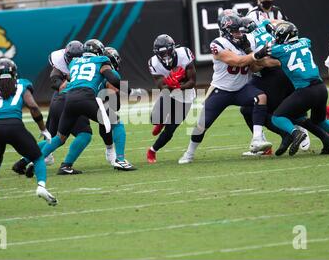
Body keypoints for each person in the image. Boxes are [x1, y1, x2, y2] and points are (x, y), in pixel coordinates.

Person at [0, 58, 57, 215]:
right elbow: (34, 107)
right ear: (14, 73)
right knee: (37, 157)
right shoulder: (22, 84)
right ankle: (41, 186)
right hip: (15, 126)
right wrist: (43, 129)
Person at [178, 14, 271, 164]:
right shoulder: (218, 43)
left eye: (240, 30)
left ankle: (257, 139)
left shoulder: (247, 40)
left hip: (242, 89)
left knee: (261, 97)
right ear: (226, 31)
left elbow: (253, 67)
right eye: (235, 31)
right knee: (201, 124)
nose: (239, 34)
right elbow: (238, 62)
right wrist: (257, 54)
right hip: (222, 90)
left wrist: (252, 53)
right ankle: (189, 152)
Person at [260, 22, 329, 155]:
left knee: (277, 117)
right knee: (320, 120)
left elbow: (263, 53)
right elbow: (296, 43)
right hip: (321, 88)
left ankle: (296, 133)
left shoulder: (279, 50)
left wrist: (268, 39)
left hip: (305, 91)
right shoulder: (306, 41)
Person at [12, 40, 93, 176]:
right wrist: (72, 79)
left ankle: (22, 162)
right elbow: (56, 83)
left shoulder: (70, 65)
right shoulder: (61, 66)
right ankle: (66, 165)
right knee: (84, 134)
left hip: (57, 102)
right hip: (69, 101)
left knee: (55, 138)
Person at [37, 39, 122, 167]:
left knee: (58, 137)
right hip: (71, 97)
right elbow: (56, 82)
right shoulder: (97, 64)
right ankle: (115, 155)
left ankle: (27, 158)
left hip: (66, 99)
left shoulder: (79, 63)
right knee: (86, 133)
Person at [146, 34, 197, 164]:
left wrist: (178, 85)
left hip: (186, 96)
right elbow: (161, 86)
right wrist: (170, 84)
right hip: (169, 93)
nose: (166, 55)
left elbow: (192, 81)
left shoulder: (184, 54)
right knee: (154, 118)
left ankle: (152, 150)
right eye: (162, 53)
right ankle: (160, 121)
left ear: (174, 48)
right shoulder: (154, 63)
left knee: (170, 130)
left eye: (168, 51)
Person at [98, 46, 136, 170]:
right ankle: (120, 159)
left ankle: (42, 157)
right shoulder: (111, 73)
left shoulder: (94, 67)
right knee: (117, 123)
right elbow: (113, 93)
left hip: (76, 99)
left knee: (66, 134)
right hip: (92, 101)